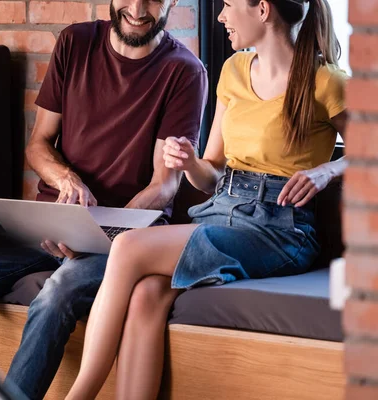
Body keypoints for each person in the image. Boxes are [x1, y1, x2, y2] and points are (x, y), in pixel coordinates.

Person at [0, 0, 208, 397]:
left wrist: (97, 230)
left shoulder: (184, 72)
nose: (138, 9)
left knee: (56, 294)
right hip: (48, 225)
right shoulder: (75, 43)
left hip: (119, 240)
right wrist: (65, 178)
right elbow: (37, 145)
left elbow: (164, 186)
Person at [65, 0, 348, 399]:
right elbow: (212, 174)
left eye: (229, 5)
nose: (220, 16)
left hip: (279, 227)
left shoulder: (326, 81)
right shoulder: (232, 72)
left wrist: (327, 171)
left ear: (263, 9)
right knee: (147, 294)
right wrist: (189, 161)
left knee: (128, 246)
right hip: (222, 209)